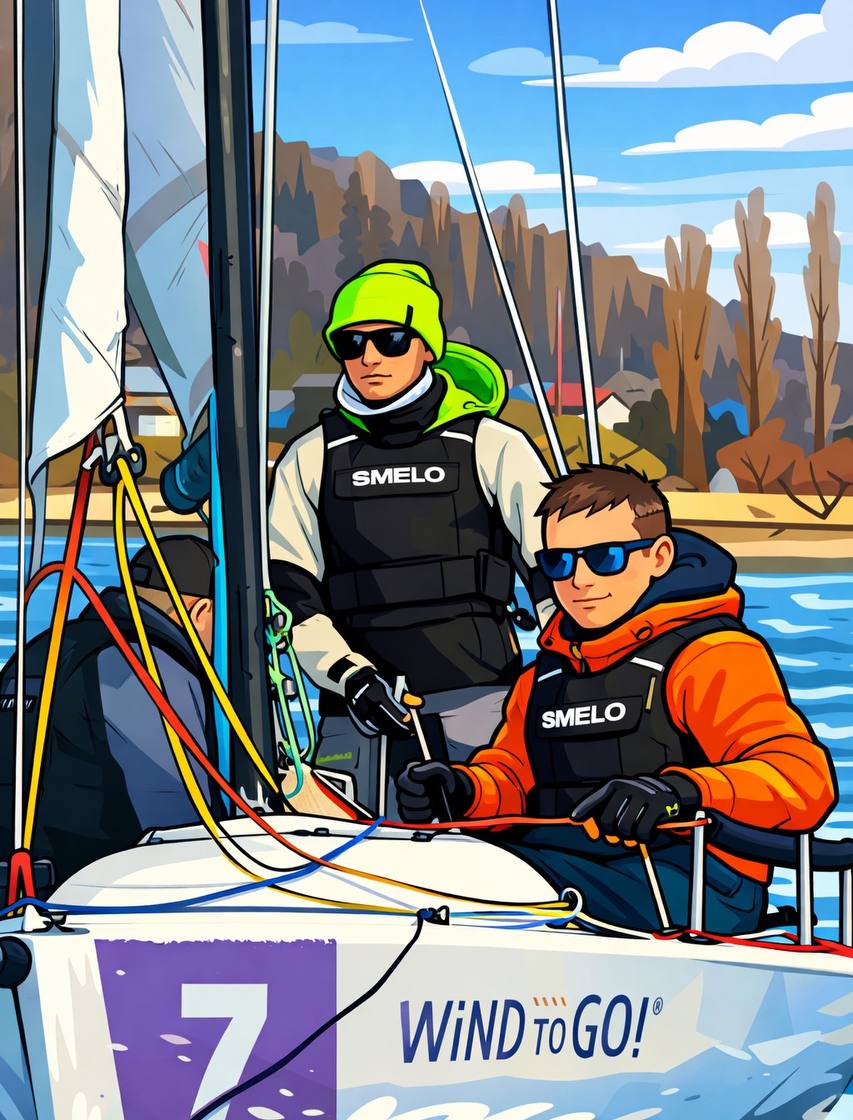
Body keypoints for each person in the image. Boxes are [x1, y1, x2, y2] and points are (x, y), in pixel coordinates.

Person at [396, 465, 837, 933]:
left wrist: (681, 792)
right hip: (559, 860)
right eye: (559, 563)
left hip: (694, 880)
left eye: (605, 558)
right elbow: (512, 777)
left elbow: (802, 779)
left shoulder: (711, 655)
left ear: (659, 557)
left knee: (476, 888)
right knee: (420, 875)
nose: (579, 580)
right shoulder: (543, 677)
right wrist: (463, 790)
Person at [268, 260, 554, 814]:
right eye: (352, 344)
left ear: (426, 347)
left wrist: (562, 677)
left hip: (481, 705)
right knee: (349, 855)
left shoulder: (493, 445)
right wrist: (349, 677)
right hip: (355, 709)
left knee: (487, 845)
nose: (370, 358)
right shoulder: (309, 457)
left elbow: (555, 571)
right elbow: (292, 596)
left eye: (391, 340)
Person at [0, 536, 220, 884]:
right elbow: (178, 828)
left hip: (19, 886)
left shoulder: (42, 649)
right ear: (202, 612)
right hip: (96, 894)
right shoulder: (147, 666)